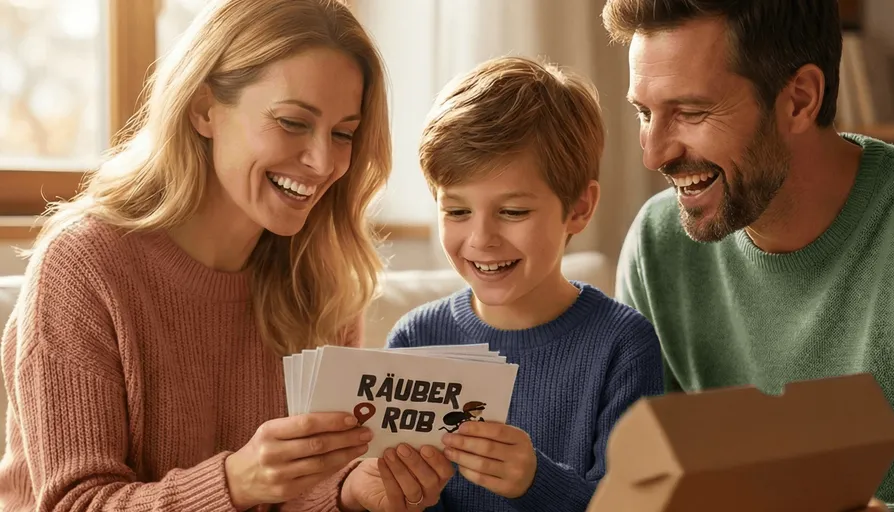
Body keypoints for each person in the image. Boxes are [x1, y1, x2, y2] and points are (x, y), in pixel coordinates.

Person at [0, 0, 453, 510]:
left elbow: (304, 493)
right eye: (292, 122)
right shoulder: (84, 268)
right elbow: (72, 504)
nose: (324, 161)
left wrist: (349, 493)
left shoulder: (322, 279)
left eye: (343, 133)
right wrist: (235, 483)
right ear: (203, 108)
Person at [603, 0, 894, 509]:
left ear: (799, 100)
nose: (653, 153)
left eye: (691, 112)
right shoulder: (658, 246)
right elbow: (640, 485)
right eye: (644, 112)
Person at [386, 56, 664, 511]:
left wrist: (537, 481)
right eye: (456, 211)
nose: (480, 239)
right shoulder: (414, 341)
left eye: (513, 212)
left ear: (578, 208)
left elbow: (634, 506)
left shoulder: (623, 346)